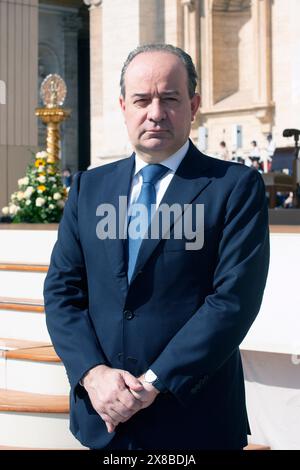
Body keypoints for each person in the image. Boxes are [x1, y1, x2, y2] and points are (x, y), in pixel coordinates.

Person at [44, 44, 270, 450]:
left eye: (169, 98)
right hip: (104, 421)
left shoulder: (234, 188)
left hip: (193, 419)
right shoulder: (88, 189)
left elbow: (233, 301)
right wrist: (93, 375)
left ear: (193, 104)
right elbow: (62, 293)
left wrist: (151, 384)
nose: (155, 112)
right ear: (123, 106)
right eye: (142, 100)